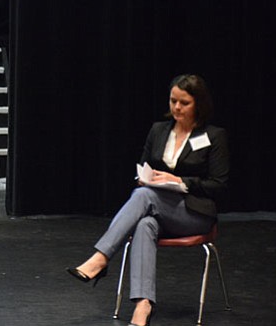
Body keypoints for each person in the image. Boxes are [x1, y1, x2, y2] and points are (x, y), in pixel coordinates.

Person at [66, 74, 229, 326]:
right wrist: (146, 178)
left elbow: (218, 185)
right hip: (158, 208)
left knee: (144, 196)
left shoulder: (213, 135)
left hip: (194, 214)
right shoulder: (159, 130)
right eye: (173, 101)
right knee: (144, 224)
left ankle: (101, 257)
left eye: (184, 103)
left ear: (198, 104)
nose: (176, 107)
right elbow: (144, 167)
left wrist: (179, 182)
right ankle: (143, 307)